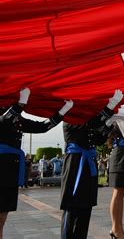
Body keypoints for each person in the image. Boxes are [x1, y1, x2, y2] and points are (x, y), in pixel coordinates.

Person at [0, 88, 73, 239]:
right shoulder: (5, 115)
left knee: (2, 217)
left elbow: (43, 127)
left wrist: (61, 112)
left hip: (10, 173)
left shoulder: (17, 119)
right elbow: (4, 120)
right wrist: (20, 104)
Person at [60, 89, 123, 239]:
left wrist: (107, 125)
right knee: (72, 206)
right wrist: (109, 108)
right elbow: (90, 124)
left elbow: (97, 139)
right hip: (75, 165)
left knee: (86, 206)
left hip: (88, 166)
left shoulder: (86, 121)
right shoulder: (69, 118)